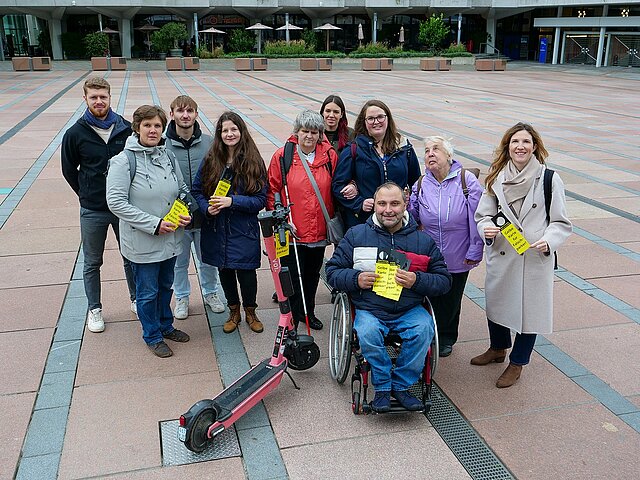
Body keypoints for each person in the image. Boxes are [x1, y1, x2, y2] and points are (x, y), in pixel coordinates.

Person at [326, 182, 451, 412]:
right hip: (370, 308)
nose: (388, 209)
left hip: (408, 308)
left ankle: (401, 385)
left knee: (424, 330)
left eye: (395, 203)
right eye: (382, 204)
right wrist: (356, 279)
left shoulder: (423, 241)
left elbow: (444, 281)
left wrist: (417, 280)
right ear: (374, 206)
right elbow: (332, 271)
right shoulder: (356, 235)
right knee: (366, 332)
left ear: (405, 205)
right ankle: (383, 386)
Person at [472, 122, 571, 387]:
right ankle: (498, 348)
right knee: (496, 303)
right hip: (503, 253)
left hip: (533, 257)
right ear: (508, 146)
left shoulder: (549, 178)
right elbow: (483, 215)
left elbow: (561, 222)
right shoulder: (496, 177)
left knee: (531, 313)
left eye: (526, 142)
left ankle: (517, 362)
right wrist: (486, 228)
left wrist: (548, 241)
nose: (520, 146)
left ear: (534, 147)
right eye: (515, 142)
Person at [106, 105, 191, 358]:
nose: (153, 130)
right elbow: (116, 202)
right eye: (147, 125)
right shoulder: (123, 161)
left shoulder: (167, 156)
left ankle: (166, 325)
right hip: (143, 240)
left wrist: (184, 211)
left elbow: (182, 188)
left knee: (166, 285)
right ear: (137, 127)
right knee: (147, 292)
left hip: (171, 236)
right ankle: (152, 335)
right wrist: (153, 224)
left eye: (157, 125)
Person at [61, 77, 136, 334]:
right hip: (93, 209)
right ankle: (95, 309)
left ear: (110, 97)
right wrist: (86, 194)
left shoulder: (125, 128)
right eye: (93, 97)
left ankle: (136, 299)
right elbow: (69, 169)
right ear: (85, 99)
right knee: (93, 261)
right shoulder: (75, 133)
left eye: (103, 96)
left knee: (130, 256)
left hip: (123, 207)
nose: (99, 101)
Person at [408, 136, 484, 357]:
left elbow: (477, 219)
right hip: (429, 253)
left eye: (436, 149)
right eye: (427, 150)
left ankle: (447, 336)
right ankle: (427, 333)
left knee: (451, 298)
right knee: (429, 295)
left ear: (449, 155)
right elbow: (413, 217)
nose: (430, 153)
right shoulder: (421, 183)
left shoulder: (466, 180)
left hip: (458, 251)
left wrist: (475, 250)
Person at [192, 112, 267, 334]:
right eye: (225, 130)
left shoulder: (253, 161)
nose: (229, 134)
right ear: (219, 134)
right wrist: (207, 208)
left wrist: (231, 201)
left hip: (243, 229)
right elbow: (197, 191)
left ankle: (250, 311)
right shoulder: (211, 160)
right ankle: (233, 311)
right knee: (224, 271)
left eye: (234, 129)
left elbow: (261, 199)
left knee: (246, 273)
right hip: (217, 228)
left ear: (241, 131)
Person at [267, 109, 338, 331]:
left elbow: (335, 186)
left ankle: (308, 312)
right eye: (305, 131)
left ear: (320, 134)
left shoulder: (329, 156)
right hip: (292, 231)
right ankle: (293, 316)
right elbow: (273, 190)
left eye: (314, 132)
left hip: (318, 228)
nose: (309, 136)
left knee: (312, 274)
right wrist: (283, 220)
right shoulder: (282, 156)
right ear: (297, 132)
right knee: (291, 276)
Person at [165, 95, 225, 319]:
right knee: (178, 262)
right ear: (172, 114)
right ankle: (181, 296)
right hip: (176, 217)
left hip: (204, 214)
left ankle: (210, 292)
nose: (185, 115)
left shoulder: (210, 142)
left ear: (196, 114)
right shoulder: (163, 144)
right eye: (180, 111)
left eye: (190, 110)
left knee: (207, 259)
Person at [332, 99, 421, 229]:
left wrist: (408, 202)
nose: (376, 122)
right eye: (371, 118)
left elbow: (416, 184)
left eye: (380, 117)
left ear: (388, 119)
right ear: (365, 122)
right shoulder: (354, 148)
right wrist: (359, 203)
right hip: (365, 223)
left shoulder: (403, 148)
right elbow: (337, 186)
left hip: (398, 221)